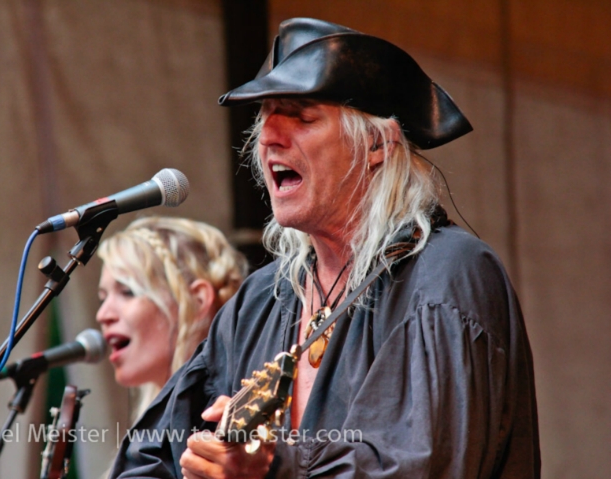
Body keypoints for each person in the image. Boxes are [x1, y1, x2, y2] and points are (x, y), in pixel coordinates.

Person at [110, 18, 540, 478]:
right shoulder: (259, 302)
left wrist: (274, 467)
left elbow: (424, 465)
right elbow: (150, 456)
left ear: (377, 144)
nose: (270, 136)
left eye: (302, 116)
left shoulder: (449, 274)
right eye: (265, 116)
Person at [96, 216, 248, 417]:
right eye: (103, 298)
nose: (102, 315)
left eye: (127, 292)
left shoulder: (229, 414)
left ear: (198, 301)